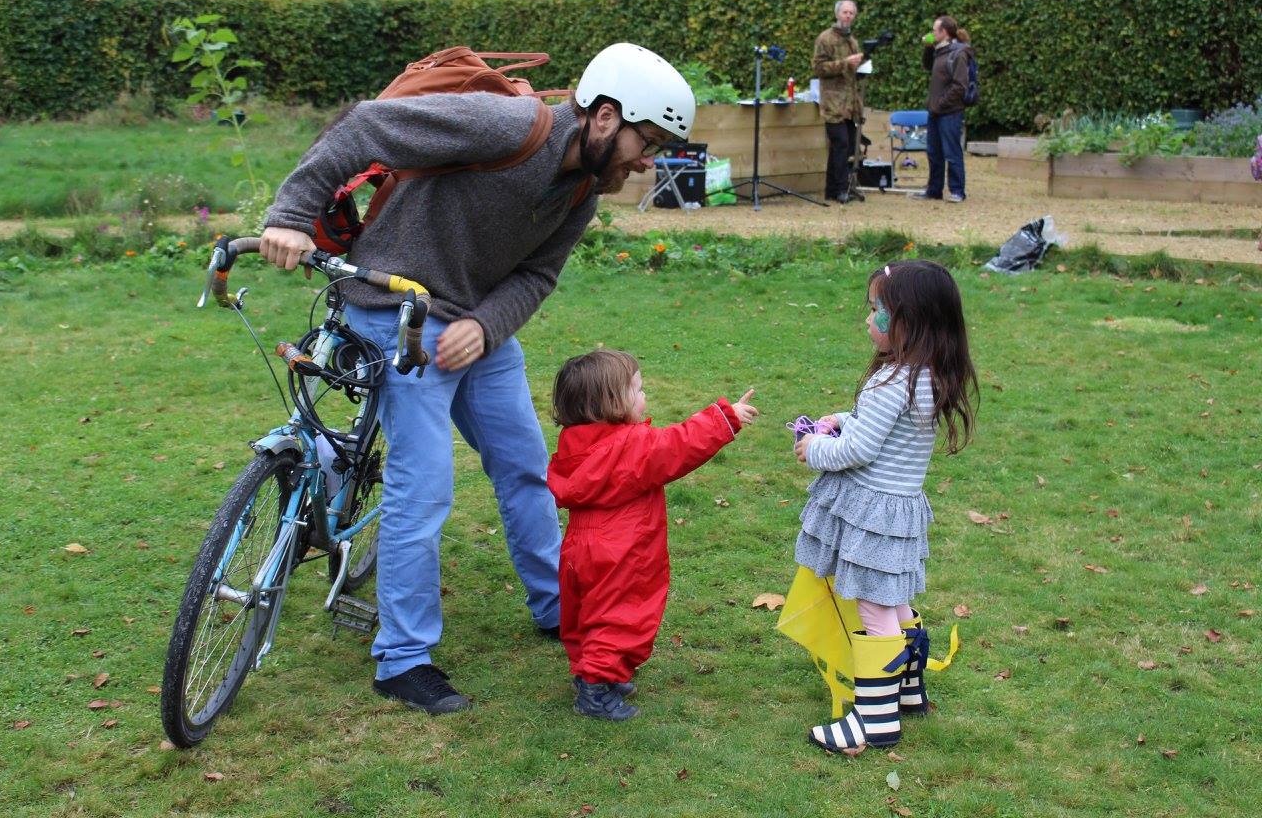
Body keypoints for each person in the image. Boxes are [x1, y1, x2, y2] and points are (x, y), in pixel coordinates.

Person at [256, 43, 696, 715]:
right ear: (605, 117)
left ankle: (557, 607)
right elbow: (367, 124)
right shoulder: (508, 126)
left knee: (525, 466)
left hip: (473, 328)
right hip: (395, 311)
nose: (649, 162)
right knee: (424, 487)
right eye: (649, 141)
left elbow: (536, 276)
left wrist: (487, 327)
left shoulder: (581, 190)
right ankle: (401, 658)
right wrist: (289, 215)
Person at [792, 259, 978, 755]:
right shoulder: (925, 374)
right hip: (900, 509)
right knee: (894, 598)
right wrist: (844, 417)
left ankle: (874, 721)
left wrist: (816, 451)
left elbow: (858, 451)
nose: (869, 319)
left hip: (873, 513)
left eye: (879, 310)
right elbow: (879, 428)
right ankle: (909, 690)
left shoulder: (890, 380)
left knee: (873, 606)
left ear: (909, 322)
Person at [547, 350, 759, 720]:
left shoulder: (575, 444)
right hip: (621, 550)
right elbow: (678, 445)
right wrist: (726, 417)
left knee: (586, 615)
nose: (645, 397)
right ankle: (596, 690)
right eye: (638, 390)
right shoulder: (630, 447)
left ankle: (592, 673)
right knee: (619, 617)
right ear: (611, 404)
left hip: (581, 546)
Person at [911, 16, 970, 203]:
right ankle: (934, 190)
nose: (931, 33)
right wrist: (928, 48)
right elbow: (927, 66)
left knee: (952, 152)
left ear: (944, 32)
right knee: (934, 152)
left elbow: (960, 85)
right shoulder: (939, 51)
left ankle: (957, 191)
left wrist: (941, 103)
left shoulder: (958, 53)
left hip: (950, 111)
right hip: (935, 111)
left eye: (934, 30)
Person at [813, 0, 865, 204]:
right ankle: (841, 189)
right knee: (840, 143)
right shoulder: (825, 38)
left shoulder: (852, 40)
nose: (848, 16)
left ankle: (833, 189)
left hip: (850, 103)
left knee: (844, 146)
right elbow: (818, 68)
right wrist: (844, 63)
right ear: (837, 14)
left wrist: (861, 68)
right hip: (833, 102)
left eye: (852, 13)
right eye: (845, 12)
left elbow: (852, 73)